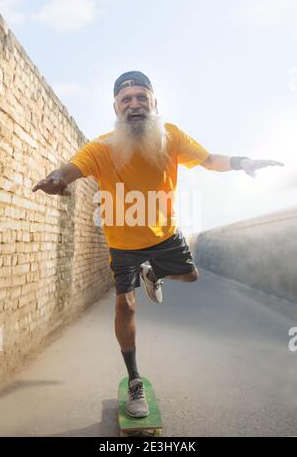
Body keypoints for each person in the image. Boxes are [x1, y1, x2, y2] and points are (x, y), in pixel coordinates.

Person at [32, 71, 283, 418]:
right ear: (116, 107)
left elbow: (210, 161)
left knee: (191, 275)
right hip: (123, 243)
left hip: (164, 234)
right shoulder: (102, 146)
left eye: (141, 97)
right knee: (127, 306)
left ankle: (153, 273)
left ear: (153, 103)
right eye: (126, 99)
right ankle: (135, 379)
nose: (134, 104)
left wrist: (243, 163)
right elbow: (72, 167)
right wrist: (56, 179)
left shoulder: (171, 137)